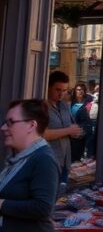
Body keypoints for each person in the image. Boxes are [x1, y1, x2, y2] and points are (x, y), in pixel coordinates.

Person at [0, 99, 60, 232]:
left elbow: (43, 207)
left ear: (31, 125)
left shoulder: (44, 159)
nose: (3, 128)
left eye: (10, 122)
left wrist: (2, 204)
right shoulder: (20, 157)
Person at [42, 71, 81, 187]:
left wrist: (76, 132)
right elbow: (40, 134)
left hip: (65, 160)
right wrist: (68, 131)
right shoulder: (42, 106)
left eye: (64, 91)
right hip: (48, 161)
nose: (61, 94)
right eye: (58, 90)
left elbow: (72, 126)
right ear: (48, 87)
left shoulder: (64, 105)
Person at [68, 84, 93, 163]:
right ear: (75, 91)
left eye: (82, 89)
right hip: (71, 132)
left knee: (80, 154)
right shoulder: (70, 102)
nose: (80, 91)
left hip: (84, 132)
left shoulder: (89, 101)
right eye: (78, 89)